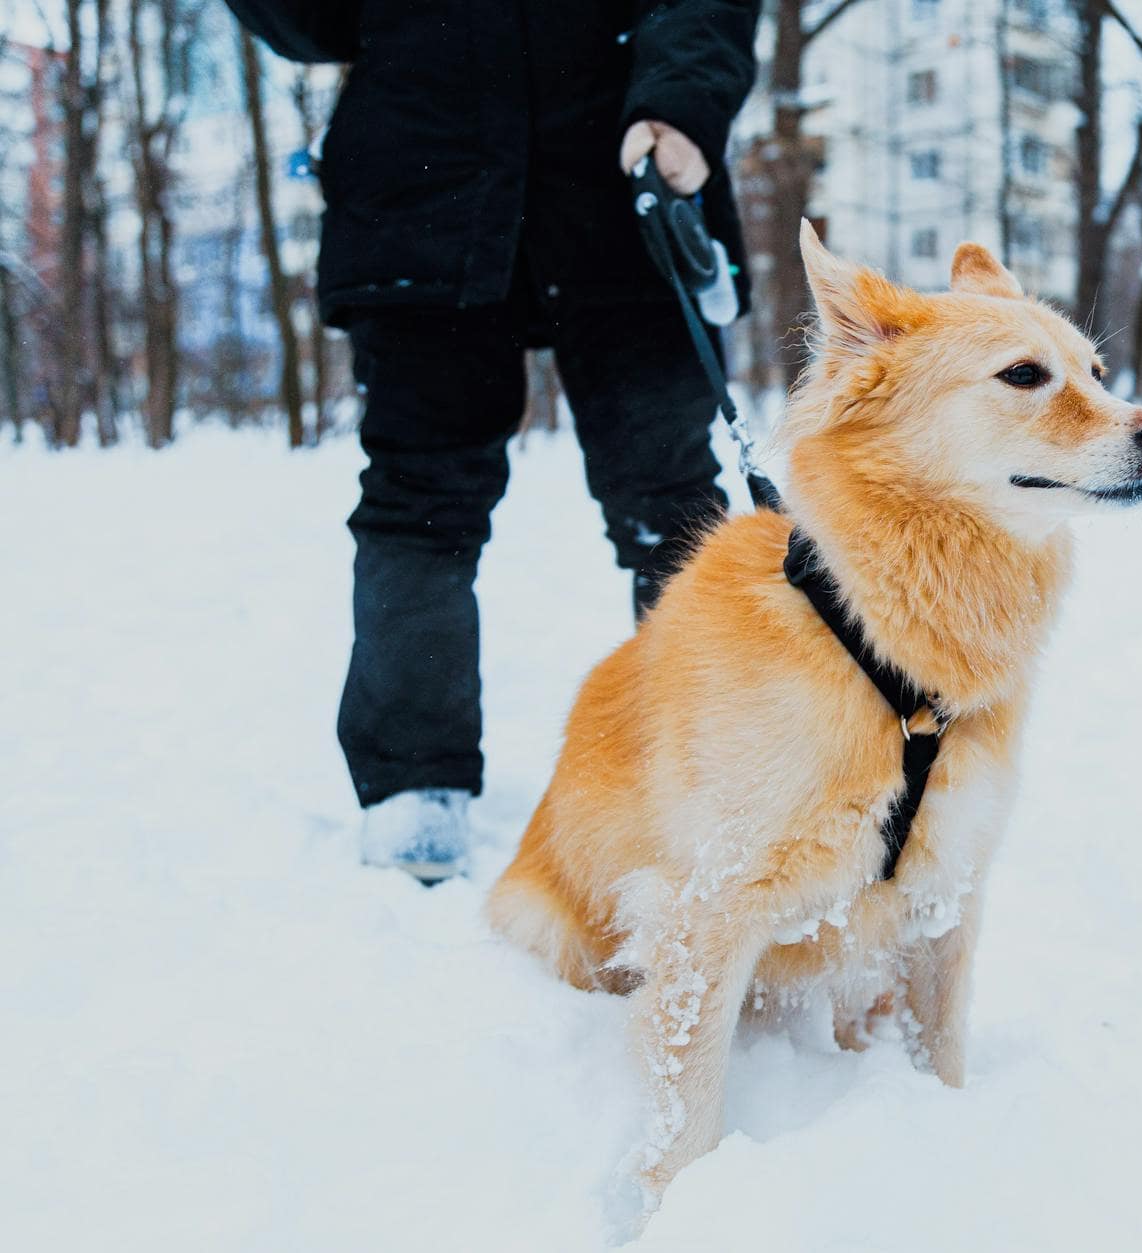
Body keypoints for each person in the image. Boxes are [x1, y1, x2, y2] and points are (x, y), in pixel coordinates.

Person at [225, 1, 761, 882]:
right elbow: (314, 21)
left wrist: (682, 105)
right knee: (420, 500)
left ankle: (704, 764)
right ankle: (412, 782)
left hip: (627, 182)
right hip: (421, 198)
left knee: (671, 503)